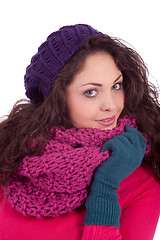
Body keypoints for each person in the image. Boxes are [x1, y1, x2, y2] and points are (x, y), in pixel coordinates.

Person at [0, 24, 160, 240]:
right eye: (91, 92)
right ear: (57, 99)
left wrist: (105, 186)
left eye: (116, 86)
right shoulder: (14, 155)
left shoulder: (141, 181)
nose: (111, 105)